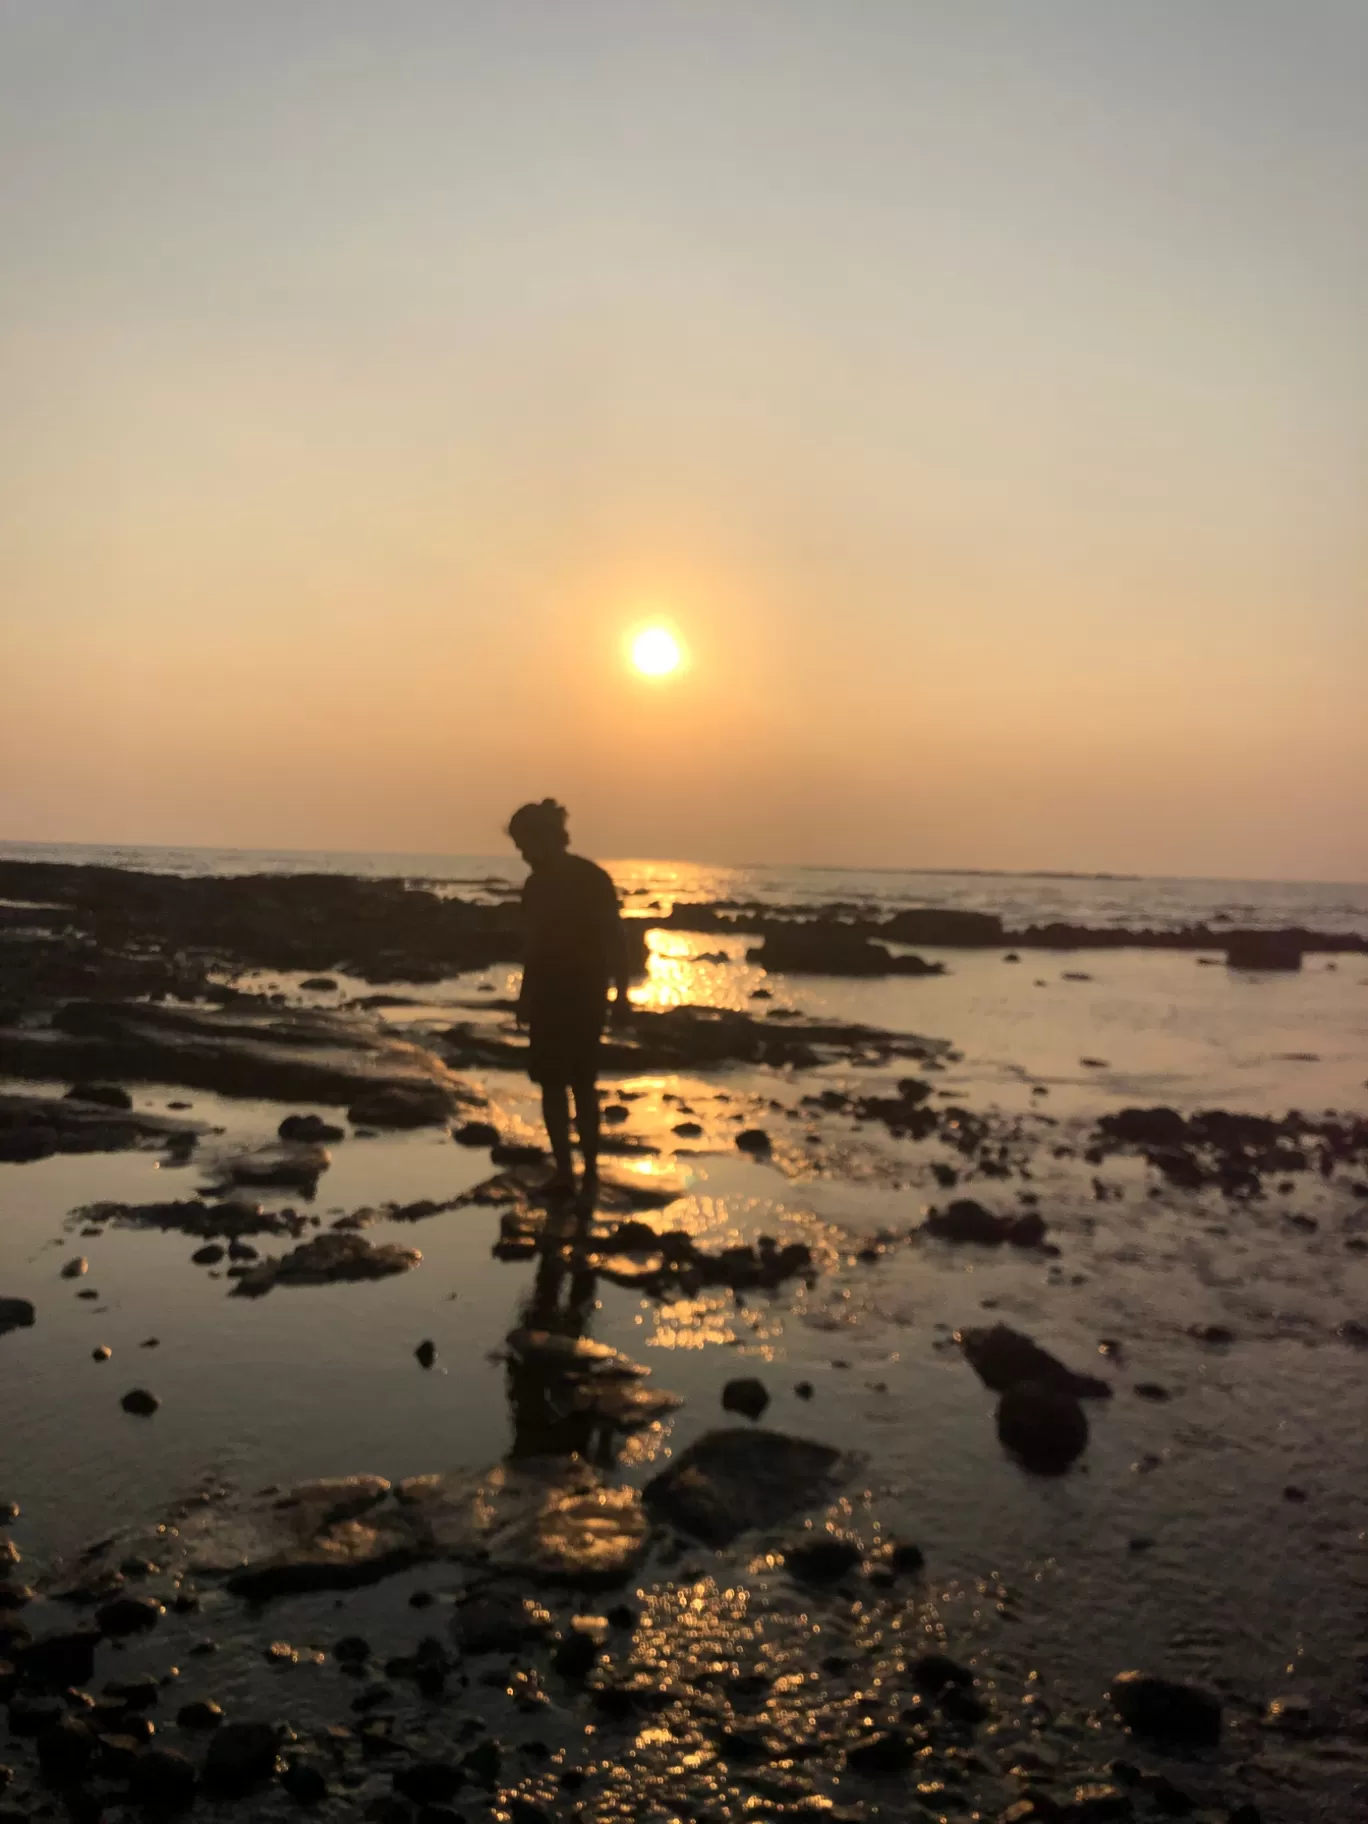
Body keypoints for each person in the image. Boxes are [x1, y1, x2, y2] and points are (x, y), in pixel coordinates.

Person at [508, 798, 630, 1196]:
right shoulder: (569, 879)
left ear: (545, 838)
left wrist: (623, 993)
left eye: (525, 844)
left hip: (576, 994)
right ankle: (575, 1170)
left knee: (570, 1084)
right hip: (566, 993)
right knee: (568, 1083)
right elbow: (535, 945)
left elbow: (614, 938)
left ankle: (578, 1170)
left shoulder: (581, 880)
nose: (523, 854)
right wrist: (526, 995)